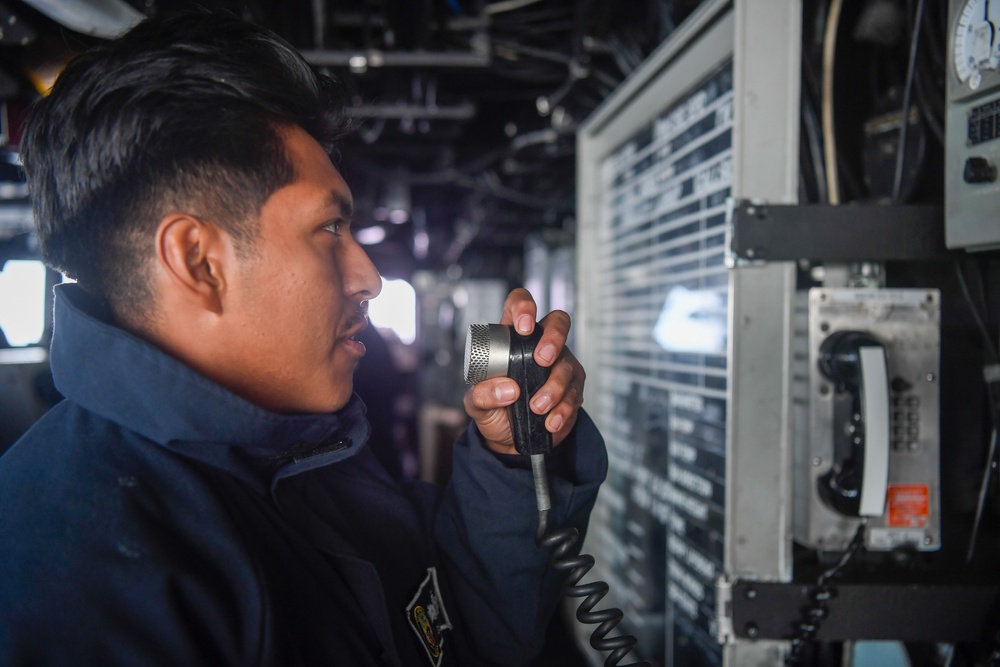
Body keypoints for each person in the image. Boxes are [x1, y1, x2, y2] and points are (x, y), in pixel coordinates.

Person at [0, 9, 607, 667]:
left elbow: (456, 627)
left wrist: (513, 457)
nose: (369, 278)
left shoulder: (298, 448)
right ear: (199, 262)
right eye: (329, 229)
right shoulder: (78, 575)